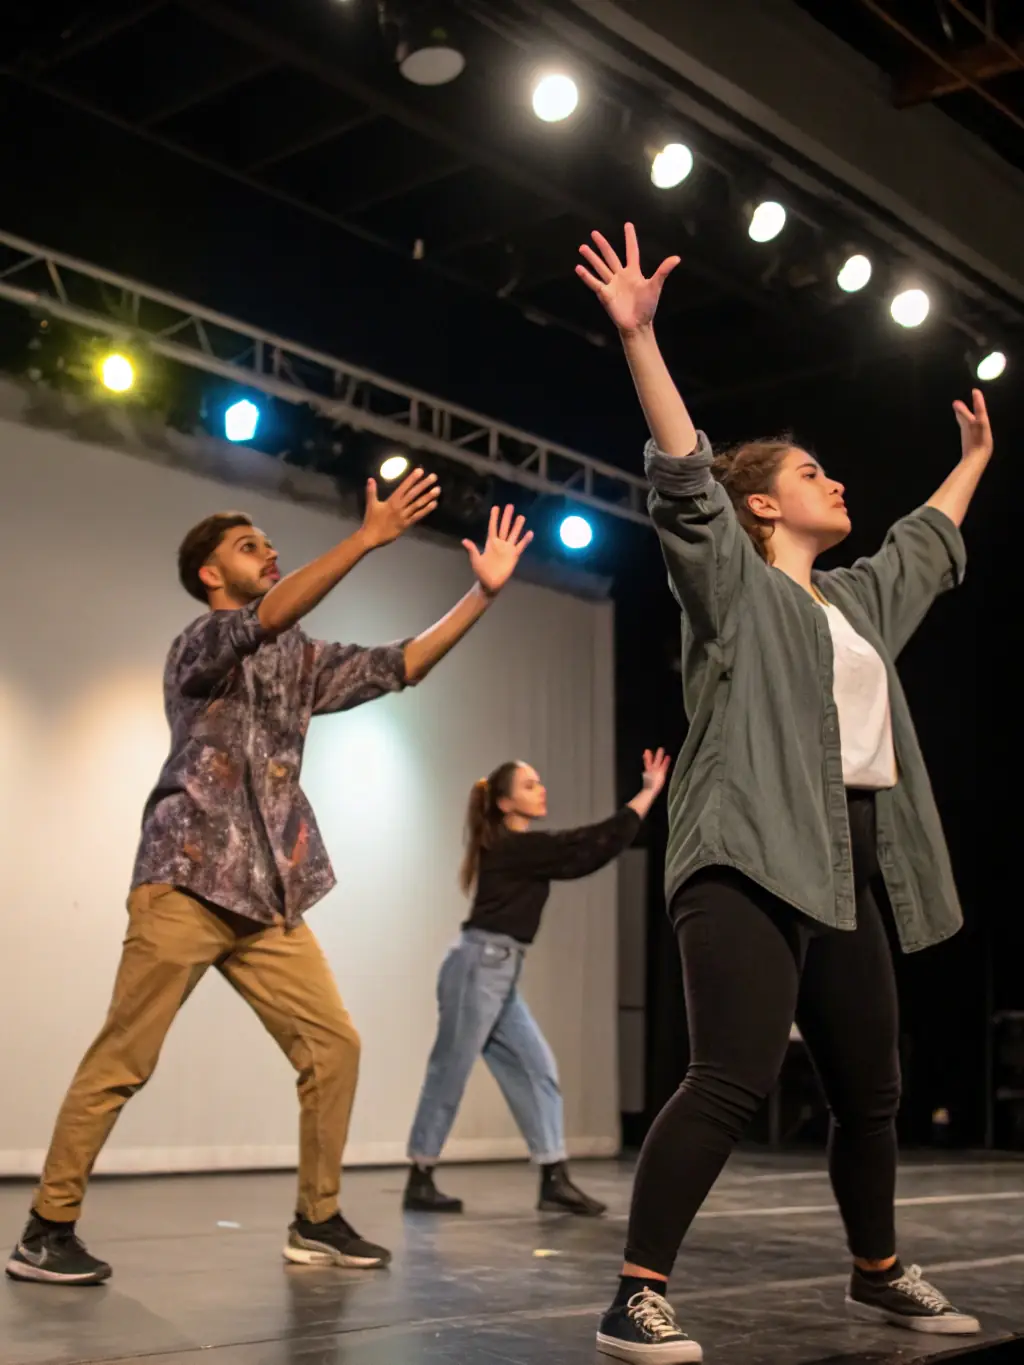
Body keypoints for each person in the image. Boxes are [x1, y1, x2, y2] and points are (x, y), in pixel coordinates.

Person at [575, 225, 991, 1363]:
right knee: (730, 1074)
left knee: (873, 1088)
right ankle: (636, 1291)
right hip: (748, 849)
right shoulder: (731, 592)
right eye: (810, 474)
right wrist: (642, 339)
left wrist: (974, 460)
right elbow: (684, 486)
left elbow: (922, 549)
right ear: (759, 507)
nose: (834, 479)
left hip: (850, 854)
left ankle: (875, 1270)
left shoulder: (853, 605)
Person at [6, 474, 533, 1287]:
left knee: (334, 1044)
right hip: (185, 879)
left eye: (268, 545)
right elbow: (269, 616)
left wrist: (481, 597)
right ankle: (47, 1227)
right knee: (125, 1056)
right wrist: (365, 538)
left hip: (269, 896)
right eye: (249, 547)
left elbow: (401, 665)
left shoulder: (299, 661)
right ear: (212, 573)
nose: (269, 553)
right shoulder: (199, 644)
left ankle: (317, 1218)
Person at [403, 748, 671, 1217]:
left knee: (539, 1067)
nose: (540, 789)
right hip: (478, 966)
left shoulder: (519, 849)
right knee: (451, 1068)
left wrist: (646, 798)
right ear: (505, 804)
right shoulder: (513, 847)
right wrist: (645, 795)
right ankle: (420, 1176)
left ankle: (553, 1177)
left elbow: (588, 851)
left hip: (501, 969)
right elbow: (588, 845)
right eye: (529, 785)